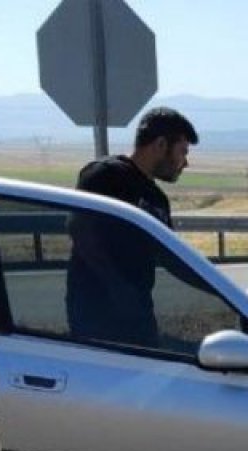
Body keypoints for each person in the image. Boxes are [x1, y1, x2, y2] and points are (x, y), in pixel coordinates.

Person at [65, 107, 199, 346]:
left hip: (138, 320)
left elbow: (171, 256)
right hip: (94, 318)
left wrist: (216, 287)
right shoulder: (104, 176)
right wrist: (118, 287)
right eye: (182, 151)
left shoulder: (157, 199)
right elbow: (81, 231)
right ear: (160, 144)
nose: (185, 163)